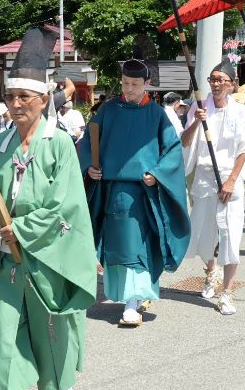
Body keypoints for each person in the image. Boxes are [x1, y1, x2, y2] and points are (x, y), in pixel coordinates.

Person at [0, 28, 96, 390]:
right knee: (0, 330)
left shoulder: (59, 143)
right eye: (10, 97)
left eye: (24, 97)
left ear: (43, 100)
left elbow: (65, 204)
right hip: (8, 258)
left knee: (55, 327)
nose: (16, 105)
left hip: (48, 256)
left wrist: (22, 229)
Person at [79, 57, 190, 327]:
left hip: (141, 193)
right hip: (109, 189)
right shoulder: (108, 109)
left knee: (135, 246)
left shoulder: (156, 114)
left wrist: (158, 173)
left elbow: (172, 149)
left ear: (146, 84)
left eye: (134, 84)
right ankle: (127, 296)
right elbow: (89, 140)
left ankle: (133, 301)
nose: (128, 88)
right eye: (125, 83)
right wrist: (90, 167)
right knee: (116, 246)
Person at [182, 60, 245, 315]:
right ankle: (211, 270)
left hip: (229, 178)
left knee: (230, 236)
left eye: (220, 80)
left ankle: (226, 292)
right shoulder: (199, 106)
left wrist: (231, 180)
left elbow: (244, 149)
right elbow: (185, 142)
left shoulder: (240, 111)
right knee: (203, 235)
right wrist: (196, 121)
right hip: (205, 177)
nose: (215, 84)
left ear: (232, 84)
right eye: (212, 79)